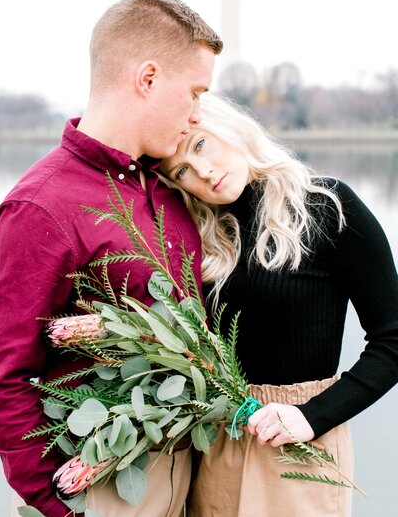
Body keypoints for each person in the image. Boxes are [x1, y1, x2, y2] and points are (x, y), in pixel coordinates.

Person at [0, 0, 222, 516]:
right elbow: (6, 375)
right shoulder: (40, 207)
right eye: (194, 92)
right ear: (147, 78)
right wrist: (60, 507)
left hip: (186, 473)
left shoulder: (170, 186)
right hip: (100, 486)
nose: (196, 114)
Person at [160, 93, 398, 517]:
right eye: (182, 171)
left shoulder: (326, 206)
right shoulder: (201, 236)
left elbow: (393, 339)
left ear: (229, 127)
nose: (204, 171)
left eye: (200, 145)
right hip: (220, 437)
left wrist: (314, 415)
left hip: (301, 442)